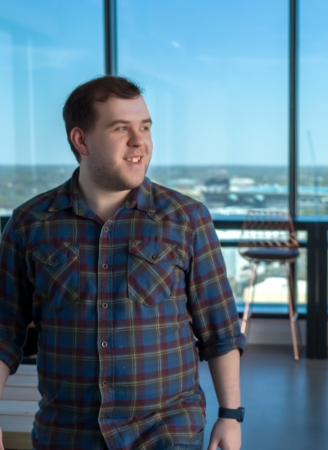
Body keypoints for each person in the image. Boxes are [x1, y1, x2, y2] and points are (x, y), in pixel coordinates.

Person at [0, 76, 246, 450]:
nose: (139, 142)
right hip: (66, 436)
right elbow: (4, 335)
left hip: (166, 435)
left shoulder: (187, 219)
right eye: (121, 129)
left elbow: (220, 330)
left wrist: (231, 415)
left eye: (145, 128)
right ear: (80, 140)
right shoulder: (29, 224)